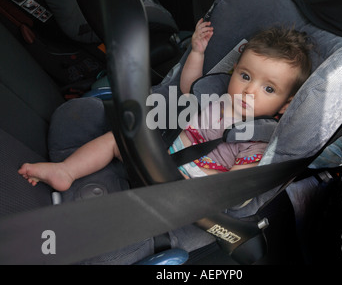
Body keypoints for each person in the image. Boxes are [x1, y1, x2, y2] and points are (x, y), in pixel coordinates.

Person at [18, 18, 313, 191]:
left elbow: (235, 186)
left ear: (285, 105)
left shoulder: (258, 138)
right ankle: (66, 171)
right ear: (233, 70)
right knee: (114, 140)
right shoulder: (217, 95)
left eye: (268, 88)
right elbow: (188, 87)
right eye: (245, 75)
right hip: (159, 153)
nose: (249, 90)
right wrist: (197, 51)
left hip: (184, 183)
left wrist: (195, 179)